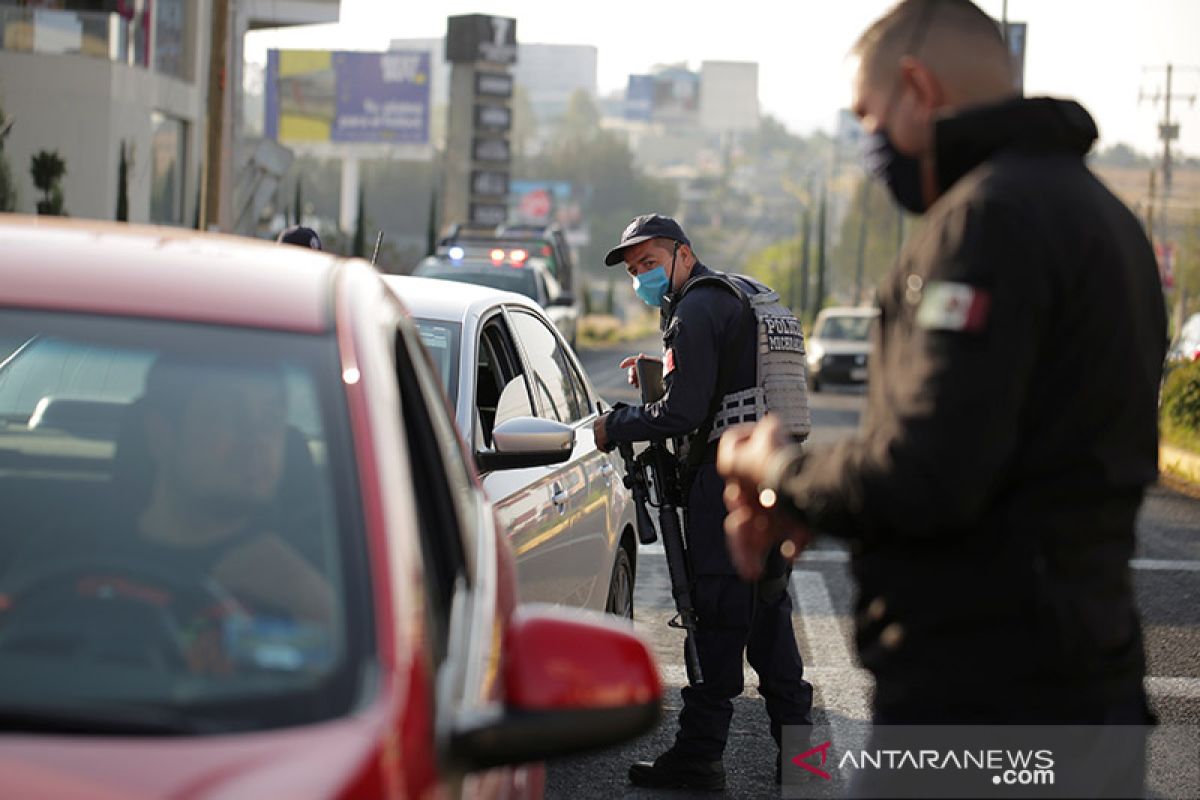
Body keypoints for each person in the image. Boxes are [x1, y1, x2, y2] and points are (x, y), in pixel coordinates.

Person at [719, 0, 1164, 747]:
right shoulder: (1103, 215)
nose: (869, 141)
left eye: (867, 115)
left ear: (917, 89)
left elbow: (926, 475)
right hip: (1087, 677)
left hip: (983, 701)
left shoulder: (984, 222)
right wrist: (819, 500)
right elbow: (1005, 464)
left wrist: (778, 468)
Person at [592, 213, 814, 790]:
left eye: (650, 262)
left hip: (726, 486)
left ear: (683, 256)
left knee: (716, 618)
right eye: (634, 269)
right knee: (769, 622)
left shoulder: (693, 309)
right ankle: (804, 768)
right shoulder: (734, 295)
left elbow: (686, 414)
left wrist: (615, 425)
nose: (642, 276)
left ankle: (698, 756)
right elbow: (723, 382)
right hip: (770, 477)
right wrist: (653, 375)